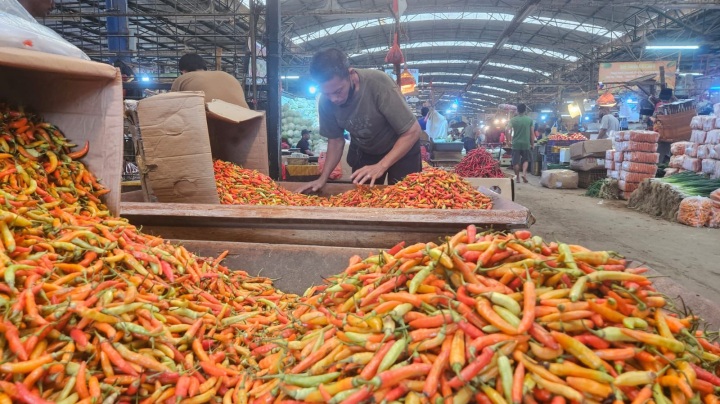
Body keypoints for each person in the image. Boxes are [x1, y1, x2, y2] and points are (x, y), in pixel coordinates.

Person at [297, 49, 422, 192]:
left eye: (338, 91)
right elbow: (336, 141)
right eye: (327, 93)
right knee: (362, 196)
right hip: (366, 150)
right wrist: (323, 178)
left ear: (350, 74)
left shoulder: (378, 83)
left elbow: (412, 131)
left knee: (405, 194)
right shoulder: (326, 102)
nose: (334, 99)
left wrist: (381, 166)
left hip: (401, 145)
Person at [170, 54, 249, 108]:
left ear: (183, 71)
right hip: (248, 119)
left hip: (214, 122)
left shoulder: (183, 78)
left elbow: (171, 106)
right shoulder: (226, 75)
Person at [507, 103, 534, 183]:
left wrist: (508, 141)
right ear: (525, 110)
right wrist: (532, 144)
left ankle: (518, 178)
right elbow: (532, 133)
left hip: (516, 144)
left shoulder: (513, 120)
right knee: (526, 160)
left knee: (515, 162)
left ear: (517, 110)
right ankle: (524, 174)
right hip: (526, 143)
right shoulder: (529, 120)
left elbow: (507, 130)